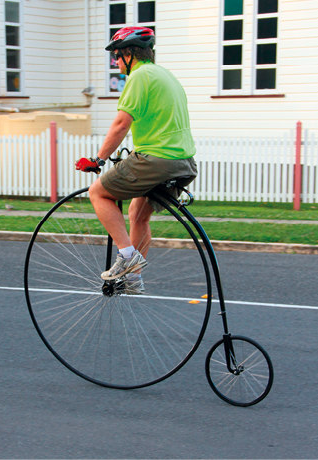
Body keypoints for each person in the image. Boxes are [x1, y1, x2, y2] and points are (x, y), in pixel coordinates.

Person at [75, 26, 198, 294]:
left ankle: (128, 255)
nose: (115, 62)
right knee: (137, 214)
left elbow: (121, 124)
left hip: (156, 159)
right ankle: (133, 278)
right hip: (184, 162)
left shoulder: (139, 76)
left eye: (116, 56)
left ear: (129, 54)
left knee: (98, 192)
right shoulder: (165, 75)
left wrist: (97, 160)